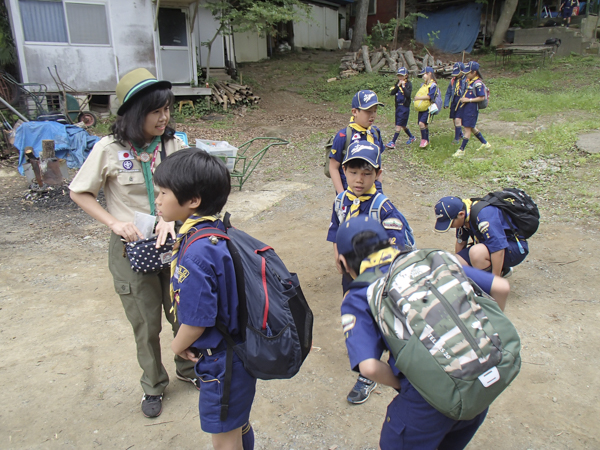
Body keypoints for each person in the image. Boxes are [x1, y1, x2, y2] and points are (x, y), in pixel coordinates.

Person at [69, 68, 196, 419]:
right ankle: (153, 385)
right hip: (132, 249)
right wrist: (114, 222)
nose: (164, 117)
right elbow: (79, 191)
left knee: (182, 313)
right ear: (135, 112)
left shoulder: (174, 145)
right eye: (156, 111)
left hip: (174, 245)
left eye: (167, 109)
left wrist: (172, 217)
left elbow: (191, 189)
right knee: (146, 323)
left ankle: (188, 370)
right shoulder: (108, 149)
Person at [337, 216, 505, 450]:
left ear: (343, 263)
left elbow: (369, 367)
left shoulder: (358, 296)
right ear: (389, 244)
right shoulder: (433, 258)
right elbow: (501, 287)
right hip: (478, 383)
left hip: (427, 402)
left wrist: (402, 384)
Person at [154, 148, 256, 450]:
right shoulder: (215, 230)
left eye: (162, 192)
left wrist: (177, 345)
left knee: (224, 439)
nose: (157, 199)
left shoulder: (196, 252)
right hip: (236, 352)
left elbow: (197, 322)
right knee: (237, 423)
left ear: (193, 200)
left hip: (220, 361)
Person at [326, 140, 416, 405]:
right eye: (353, 172)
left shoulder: (383, 208)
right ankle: (366, 356)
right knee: (358, 317)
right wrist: (339, 260)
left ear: (378, 173)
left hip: (380, 281)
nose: (358, 179)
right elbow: (336, 230)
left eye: (366, 173)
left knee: (383, 320)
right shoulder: (341, 201)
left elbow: (396, 248)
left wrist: (373, 278)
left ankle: (377, 371)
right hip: (350, 272)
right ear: (344, 170)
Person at [434, 195, 529, 282]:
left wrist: (495, 281)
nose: (450, 226)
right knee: (457, 261)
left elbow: (498, 248)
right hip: (490, 247)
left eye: (451, 223)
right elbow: (461, 242)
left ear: (461, 214)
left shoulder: (484, 215)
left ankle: (490, 282)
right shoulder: (464, 214)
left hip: (513, 247)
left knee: (476, 253)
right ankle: (500, 271)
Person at [328, 90, 385, 194]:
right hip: (349, 194)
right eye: (368, 111)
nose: (372, 115)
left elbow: (378, 165)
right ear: (354, 112)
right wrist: (341, 196)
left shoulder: (375, 133)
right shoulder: (343, 136)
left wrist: (379, 192)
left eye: (375, 111)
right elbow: (333, 168)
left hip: (370, 194)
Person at [453, 61, 491, 158]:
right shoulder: (470, 82)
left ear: (474, 72)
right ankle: (485, 143)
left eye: (468, 73)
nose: (466, 75)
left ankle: (462, 150)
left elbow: (481, 97)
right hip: (466, 108)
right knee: (471, 127)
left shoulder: (478, 84)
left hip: (472, 109)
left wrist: (468, 100)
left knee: (467, 129)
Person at [386, 67, 416, 149]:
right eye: (399, 76)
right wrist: (398, 86)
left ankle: (393, 142)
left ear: (406, 76)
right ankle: (412, 137)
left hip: (404, 107)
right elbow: (392, 93)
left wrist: (403, 86)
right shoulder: (397, 83)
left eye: (402, 76)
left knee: (398, 125)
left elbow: (408, 95)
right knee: (403, 125)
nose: (400, 77)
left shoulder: (408, 84)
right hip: (398, 106)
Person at [413, 66, 439, 148]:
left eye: (424, 74)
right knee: (424, 124)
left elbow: (429, 97)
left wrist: (418, 98)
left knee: (421, 123)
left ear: (429, 74)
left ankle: (423, 140)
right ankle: (427, 140)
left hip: (428, 108)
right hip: (422, 108)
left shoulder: (433, 86)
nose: (423, 77)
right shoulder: (423, 85)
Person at [444, 62, 467, 145]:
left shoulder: (466, 80)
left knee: (458, 119)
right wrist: (446, 103)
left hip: (462, 101)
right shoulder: (453, 80)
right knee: (454, 119)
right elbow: (448, 92)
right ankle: (460, 133)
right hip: (454, 100)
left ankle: (456, 139)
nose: (455, 75)